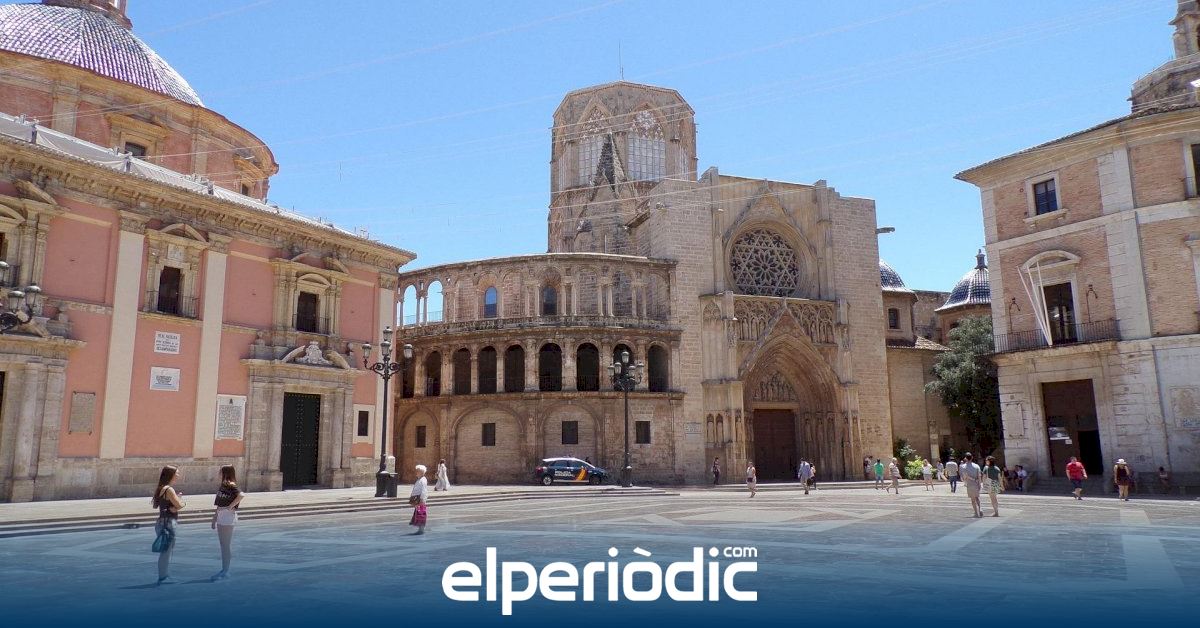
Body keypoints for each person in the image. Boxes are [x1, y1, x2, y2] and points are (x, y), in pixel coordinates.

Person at [151, 465, 184, 585]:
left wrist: (176, 501)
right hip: (168, 523)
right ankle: (163, 577)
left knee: (166, 551)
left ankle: (164, 575)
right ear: (171, 475)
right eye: (177, 473)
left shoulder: (162, 488)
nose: (178, 476)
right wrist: (181, 501)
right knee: (166, 552)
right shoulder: (169, 489)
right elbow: (179, 505)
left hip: (162, 521)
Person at [210, 465, 243, 581]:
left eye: (221, 471)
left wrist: (230, 506)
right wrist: (214, 518)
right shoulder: (223, 485)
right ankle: (224, 569)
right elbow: (219, 503)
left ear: (225, 473)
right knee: (223, 544)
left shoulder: (231, 484)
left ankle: (226, 570)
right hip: (221, 515)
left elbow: (241, 495)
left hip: (227, 516)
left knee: (226, 545)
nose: (219, 473)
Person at [960, 453, 983, 517]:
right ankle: (980, 509)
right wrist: (980, 484)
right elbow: (979, 475)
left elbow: (964, 476)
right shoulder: (976, 466)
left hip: (970, 484)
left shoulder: (963, 466)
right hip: (977, 483)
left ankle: (976, 513)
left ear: (966, 458)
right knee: (977, 497)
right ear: (972, 457)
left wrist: (965, 481)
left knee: (973, 500)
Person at [410, 464, 429, 534]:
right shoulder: (420, 479)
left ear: (421, 472)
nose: (416, 472)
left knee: (421, 513)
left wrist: (422, 499)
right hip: (418, 499)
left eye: (417, 471)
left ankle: (421, 529)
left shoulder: (423, 480)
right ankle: (420, 528)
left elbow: (424, 490)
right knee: (418, 513)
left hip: (420, 499)